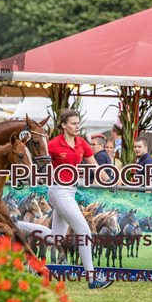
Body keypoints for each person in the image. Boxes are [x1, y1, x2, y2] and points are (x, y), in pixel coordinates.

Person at [47, 110, 115, 290]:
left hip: (70, 191)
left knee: (55, 237)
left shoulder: (82, 143)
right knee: (84, 231)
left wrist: (109, 180)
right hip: (58, 190)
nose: (77, 126)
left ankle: (17, 225)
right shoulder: (53, 144)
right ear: (63, 125)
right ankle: (92, 279)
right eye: (73, 123)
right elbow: (37, 161)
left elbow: (96, 166)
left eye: (78, 123)